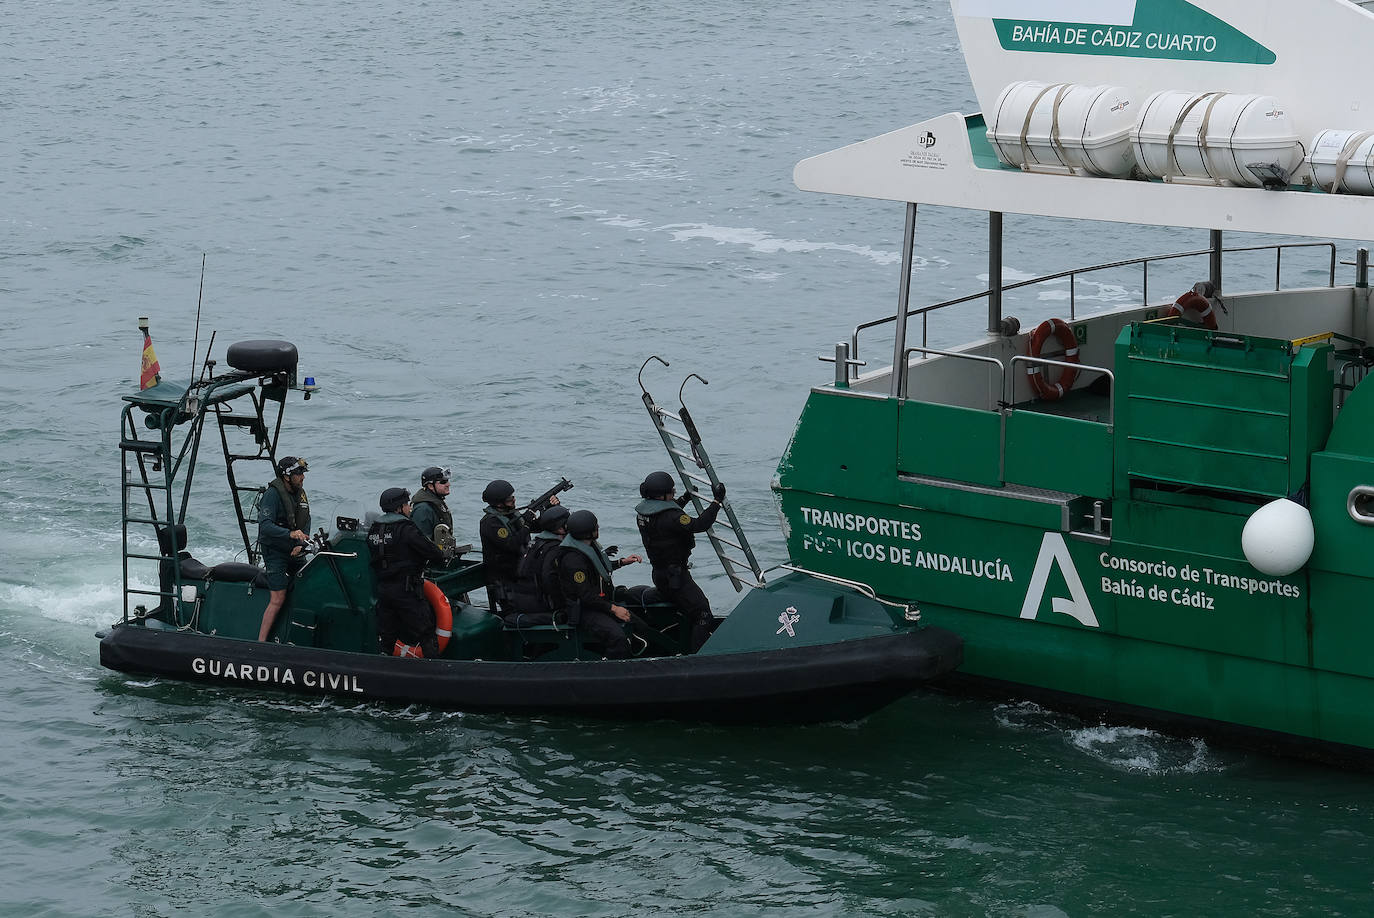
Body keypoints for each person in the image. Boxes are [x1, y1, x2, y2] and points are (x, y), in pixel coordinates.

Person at [635, 470, 725, 651]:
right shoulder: (672, 517)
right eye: (672, 491)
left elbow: (666, 514)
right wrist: (716, 502)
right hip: (676, 577)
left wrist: (685, 499)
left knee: (685, 608)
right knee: (703, 614)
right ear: (663, 494)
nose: (674, 493)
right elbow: (698, 525)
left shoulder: (642, 514)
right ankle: (699, 657)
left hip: (659, 574)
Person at [367, 487, 446, 657]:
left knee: (387, 636)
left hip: (383, 590)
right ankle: (437, 673)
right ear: (399, 508)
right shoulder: (406, 528)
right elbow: (431, 551)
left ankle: (383, 669)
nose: (409, 509)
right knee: (426, 633)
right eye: (407, 505)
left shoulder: (374, 529)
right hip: (406, 590)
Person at [556, 509, 643, 659]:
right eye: (595, 527)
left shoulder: (588, 547)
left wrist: (622, 562)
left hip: (600, 604)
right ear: (587, 532)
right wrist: (614, 609)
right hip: (585, 610)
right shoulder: (573, 560)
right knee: (617, 639)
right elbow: (585, 595)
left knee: (640, 626)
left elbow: (598, 568)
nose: (598, 528)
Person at [479, 478, 559, 614]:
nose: (513, 500)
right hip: (505, 580)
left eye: (513, 497)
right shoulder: (490, 523)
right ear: (499, 503)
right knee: (520, 612)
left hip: (521, 574)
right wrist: (527, 524)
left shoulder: (511, 515)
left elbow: (538, 527)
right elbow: (511, 544)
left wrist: (549, 509)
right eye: (509, 499)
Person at [257, 456, 311, 641]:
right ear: (287, 477)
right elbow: (265, 526)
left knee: (309, 583)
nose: (302, 477)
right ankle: (261, 642)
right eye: (298, 473)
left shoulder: (299, 493)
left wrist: (300, 544)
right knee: (278, 598)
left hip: (294, 551)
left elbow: (306, 520)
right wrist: (290, 535)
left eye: (302, 473)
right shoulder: (272, 495)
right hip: (275, 552)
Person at [508, 505, 571, 622]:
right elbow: (549, 579)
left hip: (522, 601)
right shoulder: (555, 549)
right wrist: (562, 604)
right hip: (540, 605)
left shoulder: (536, 543)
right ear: (560, 529)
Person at [410, 465, 453, 545]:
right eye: (443, 482)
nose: (448, 484)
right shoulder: (423, 509)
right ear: (430, 486)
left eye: (447, 481)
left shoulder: (436, 501)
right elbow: (422, 543)